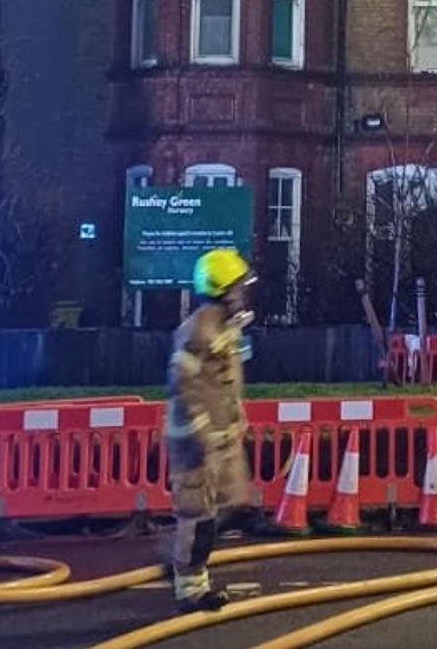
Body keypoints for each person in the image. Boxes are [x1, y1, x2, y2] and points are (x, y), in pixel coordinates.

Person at [165, 247, 257, 613]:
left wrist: (237, 419)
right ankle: (190, 588)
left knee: (230, 504)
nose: (243, 293)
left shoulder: (225, 327)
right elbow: (183, 384)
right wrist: (201, 431)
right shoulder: (199, 329)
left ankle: (179, 557)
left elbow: (225, 381)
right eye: (237, 287)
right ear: (220, 290)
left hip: (220, 437)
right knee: (199, 517)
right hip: (194, 441)